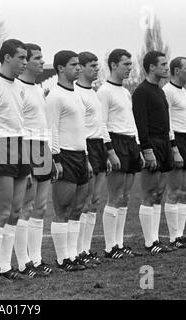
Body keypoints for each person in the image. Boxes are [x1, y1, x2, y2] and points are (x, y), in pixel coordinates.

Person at [0, 39, 34, 284]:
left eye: (26, 58)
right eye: (21, 57)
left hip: (20, 147)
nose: (25, 62)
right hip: (0, 147)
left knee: (15, 211)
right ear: (6, 58)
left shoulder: (20, 87)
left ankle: (5, 265)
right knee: (1, 211)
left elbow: (20, 122)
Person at [46, 50, 92, 272]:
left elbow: (80, 131)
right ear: (60, 68)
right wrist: (55, 159)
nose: (78, 68)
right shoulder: (55, 96)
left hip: (80, 156)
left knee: (78, 209)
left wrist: (86, 158)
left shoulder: (77, 94)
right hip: (63, 156)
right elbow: (51, 129)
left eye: (79, 64)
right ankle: (62, 258)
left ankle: (73, 255)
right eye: (73, 64)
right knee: (63, 209)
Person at [97, 49, 143, 259]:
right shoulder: (104, 91)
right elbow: (102, 124)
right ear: (113, 65)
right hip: (116, 142)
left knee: (125, 197)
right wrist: (110, 151)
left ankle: (120, 243)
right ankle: (110, 247)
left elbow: (131, 122)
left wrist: (138, 147)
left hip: (130, 143)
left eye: (130, 64)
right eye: (125, 64)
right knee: (114, 196)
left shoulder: (125, 92)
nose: (129, 68)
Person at [15, 43, 54, 277]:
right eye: (37, 58)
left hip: (42, 147)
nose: (42, 61)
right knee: (25, 208)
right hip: (27, 148)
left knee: (41, 207)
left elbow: (43, 124)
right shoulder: (16, 88)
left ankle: (37, 259)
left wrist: (50, 151)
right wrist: (24, 160)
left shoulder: (38, 89)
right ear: (25, 61)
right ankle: (23, 263)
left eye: (42, 57)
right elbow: (17, 126)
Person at [132, 50, 177, 254]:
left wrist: (172, 147)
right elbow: (141, 124)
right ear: (152, 67)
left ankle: (156, 239)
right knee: (149, 194)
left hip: (164, 143)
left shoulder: (159, 90)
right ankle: (150, 243)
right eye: (163, 64)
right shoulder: (141, 91)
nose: (167, 67)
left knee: (159, 194)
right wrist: (147, 150)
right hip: (152, 144)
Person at [74, 51, 110, 266]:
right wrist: (86, 155)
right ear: (81, 67)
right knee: (84, 202)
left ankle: (85, 249)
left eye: (97, 66)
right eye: (92, 66)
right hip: (84, 146)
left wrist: (109, 150)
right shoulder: (75, 92)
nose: (96, 69)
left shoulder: (95, 92)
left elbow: (101, 124)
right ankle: (77, 250)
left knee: (95, 201)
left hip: (99, 146)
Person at [162, 57, 186, 248]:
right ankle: (174, 237)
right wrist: (174, 148)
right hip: (177, 140)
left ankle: (181, 235)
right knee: (174, 191)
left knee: (185, 191)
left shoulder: (184, 91)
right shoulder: (167, 91)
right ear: (176, 71)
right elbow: (166, 123)